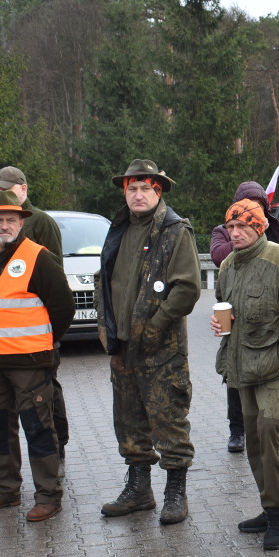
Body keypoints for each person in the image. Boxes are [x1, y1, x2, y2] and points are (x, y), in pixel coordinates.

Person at [97, 159, 200, 526]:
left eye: (146, 188)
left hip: (161, 349)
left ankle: (176, 491)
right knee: (129, 421)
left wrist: (155, 327)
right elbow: (106, 281)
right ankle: (139, 489)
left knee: (168, 419)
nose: (137, 195)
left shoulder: (174, 231)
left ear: (159, 192)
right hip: (123, 347)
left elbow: (187, 288)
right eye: (131, 188)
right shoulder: (119, 228)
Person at [0, 191, 74, 521]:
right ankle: (5, 490)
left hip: (30, 361)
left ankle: (48, 495)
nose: (4, 225)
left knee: (38, 429)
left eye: (10, 219)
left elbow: (63, 307)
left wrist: (44, 341)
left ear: (22, 222)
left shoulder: (38, 256)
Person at [212, 199, 279, 549]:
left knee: (270, 434)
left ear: (259, 227)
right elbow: (226, 312)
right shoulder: (228, 267)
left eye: (242, 227)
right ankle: (275, 508)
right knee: (253, 443)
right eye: (230, 227)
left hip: (274, 367)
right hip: (241, 366)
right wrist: (221, 324)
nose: (234, 233)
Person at [209, 181, 279, 454]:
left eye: (257, 205)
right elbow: (220, 262)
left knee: (272, 419)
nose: (234, 232)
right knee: (236, 386)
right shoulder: (226, 248)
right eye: (231, 227)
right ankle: (237, 431)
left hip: (271, 348)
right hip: (238, 342)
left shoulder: (276, 237)